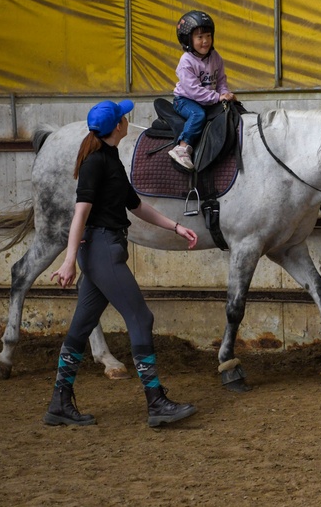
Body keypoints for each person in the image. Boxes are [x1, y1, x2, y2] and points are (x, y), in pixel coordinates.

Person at [44, 98, 201, 428]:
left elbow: (135, 205)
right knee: (141, 317)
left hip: (106, 248)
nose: (127, 119)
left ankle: (59, 402)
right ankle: (156, 402)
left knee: (81, 325)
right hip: (101, 249)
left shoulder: (110, 158)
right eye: (123, 117)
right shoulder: (94, 163)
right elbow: (80, 214)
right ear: (117, 127)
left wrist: (175, 226)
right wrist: (69, 259)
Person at [168, 10, 236, 171]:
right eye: (199, 37)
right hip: (185, 100)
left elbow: (220, 81)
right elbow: (193, 91)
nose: (205, 41)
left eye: (208, 36)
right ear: (188, 39)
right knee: (198, 115)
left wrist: (225, 94)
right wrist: (217, 97)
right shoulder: (186, 62)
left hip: (209, 98)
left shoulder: (215, 57)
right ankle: (182, 147)